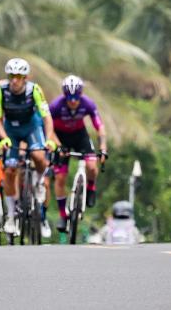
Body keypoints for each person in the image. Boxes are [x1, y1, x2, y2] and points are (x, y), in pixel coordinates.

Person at [0, 58, 59, 237]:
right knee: (10, 169)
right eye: (12, 76)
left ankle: (40, 182)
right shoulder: (0, 90)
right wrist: (4, 138)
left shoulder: (34, 90)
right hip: (11, 131)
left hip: (31, 128)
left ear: (25, 78)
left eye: (19, 77)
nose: (15, 80)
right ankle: (11, 216)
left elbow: (47, 118)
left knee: (39, 155)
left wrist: (49, 140)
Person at [50, 75, 108, 232]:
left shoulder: (88, 103)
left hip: (80, 136)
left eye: (76, 97)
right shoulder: (55, 106)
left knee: (92, 166)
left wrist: (103, 148)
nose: (73, 101)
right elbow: (48, 128)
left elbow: (100, 127)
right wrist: (58, 146)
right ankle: (63, 216)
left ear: (81, 94)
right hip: (60, 138)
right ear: (64, 95)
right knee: (60, 178)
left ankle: (91, 187)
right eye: (70, 97)